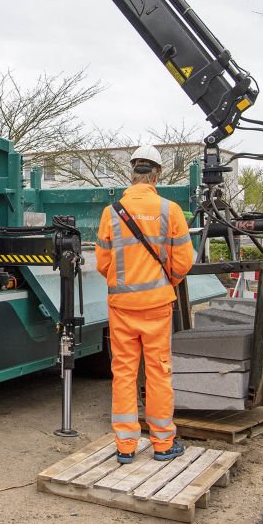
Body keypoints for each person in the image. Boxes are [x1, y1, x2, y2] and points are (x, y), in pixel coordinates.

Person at [95, 144, 194, 464]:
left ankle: (126, 445)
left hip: (122, 305)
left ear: (132, 171)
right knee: (158, 372)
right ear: (157, 174)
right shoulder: (170, 211)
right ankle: (163, 443)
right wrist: (167, 282)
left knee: (123, 372)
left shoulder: (111, 212)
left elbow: (102, 261)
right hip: (157, 305)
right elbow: (183, 262)